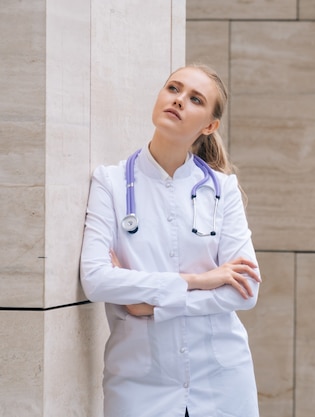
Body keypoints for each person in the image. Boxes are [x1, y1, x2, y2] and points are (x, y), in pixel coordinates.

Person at [80, 64, 261, 417]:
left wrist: (150, 306)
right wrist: (197, 281)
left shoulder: (222, 190)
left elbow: (246, 289)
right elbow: (97, 279)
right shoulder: (111, 184)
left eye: (195, 99)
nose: (179, 101)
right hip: (138, 382)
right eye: (173, 89)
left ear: (209, 126)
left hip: (222, 380)